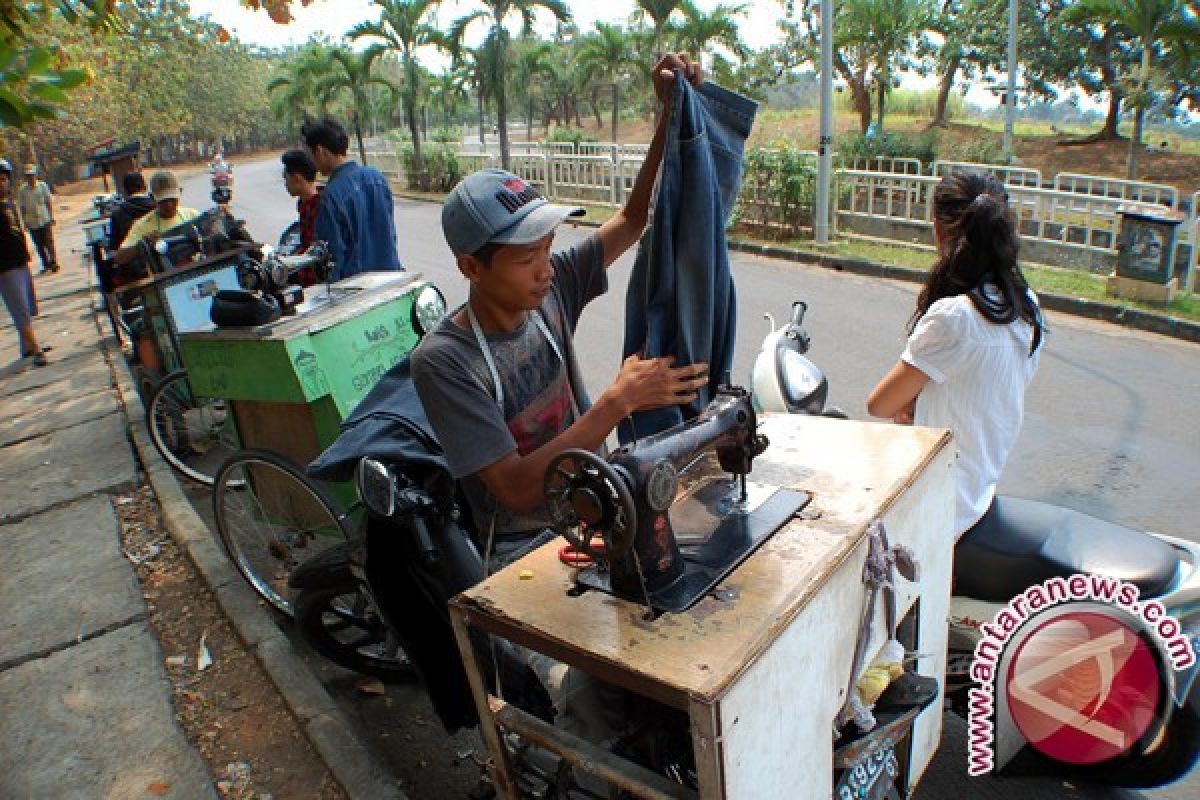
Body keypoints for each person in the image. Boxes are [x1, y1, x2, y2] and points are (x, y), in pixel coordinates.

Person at [411, 53, 708, 570]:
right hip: (521, 550)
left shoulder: (552, 290)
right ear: (471, 267)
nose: (546, 269)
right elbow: (519, 490)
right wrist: (617, 403)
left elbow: (633, 220)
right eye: (527, 257)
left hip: (593, 504)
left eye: (548, 248)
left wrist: (669, 116)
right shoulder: (444, 362)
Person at [867, 170, 1044, 540]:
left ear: (938, 229)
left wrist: (907, 404)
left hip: (944, 505)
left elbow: (880, 406)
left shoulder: (955, 317)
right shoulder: (1026, 307)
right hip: (980, 487)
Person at [302, 117, 402, 279]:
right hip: (391, 280)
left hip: (356, 291)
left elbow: (332, 259)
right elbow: (390, 234)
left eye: (312, 154)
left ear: (320, 151)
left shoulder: (331, 196)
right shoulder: (377, 179)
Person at [0, 160, 47, 366]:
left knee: (27, 306)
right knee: (20, 309)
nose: (2, 184)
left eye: (4, 179)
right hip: (5, 266)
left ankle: (26, 347)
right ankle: (37, 351)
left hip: (20, 261)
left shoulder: (8, 203)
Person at [114, 171, 199, 267]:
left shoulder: (193, 215)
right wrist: (142, 245)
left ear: (180, 192)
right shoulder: (142, 225)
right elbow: (119, 258)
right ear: (152, 198)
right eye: (163, 200)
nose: (169, 205)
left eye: (172, 199)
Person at [16, 165, 57, 274]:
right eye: (28, 176)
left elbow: (48, 201)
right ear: (26, 177)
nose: (31, 178)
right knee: (39, 245)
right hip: (32, 222)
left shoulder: (42, 186)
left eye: (32, 175)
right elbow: (22, 208)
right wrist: (24, 223)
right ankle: (45, 264)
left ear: (35, 175)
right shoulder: (22, 191)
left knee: (49, 242)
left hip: (44, 218)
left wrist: (51, 216)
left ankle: (53, 262)